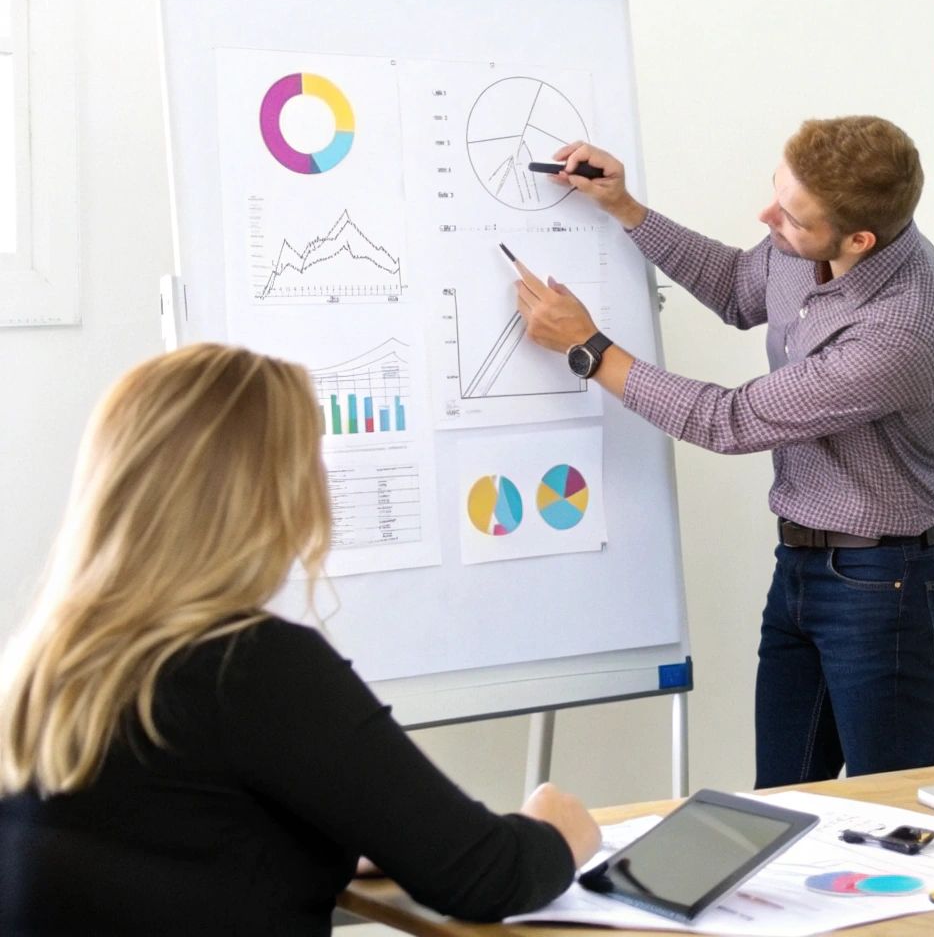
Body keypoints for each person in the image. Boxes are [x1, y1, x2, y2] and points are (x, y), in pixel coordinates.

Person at [0, 344, 600, 935]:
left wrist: (341, 841)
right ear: (267, 495)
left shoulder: (44, 665)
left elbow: (177, 840)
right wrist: (559, 830)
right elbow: (484, 875)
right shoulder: (249, 665)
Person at [512, 116, 934, 788]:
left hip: (888, 583)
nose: (767, 219)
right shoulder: (809, 240)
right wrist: (624, 206)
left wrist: (590, 349)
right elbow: (736, 286)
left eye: (790, 216)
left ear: (860, 239)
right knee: (783, 801)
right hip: (803, 565)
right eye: (777, 194)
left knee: (896, 811)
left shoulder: (900, 329)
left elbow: (728, 421)